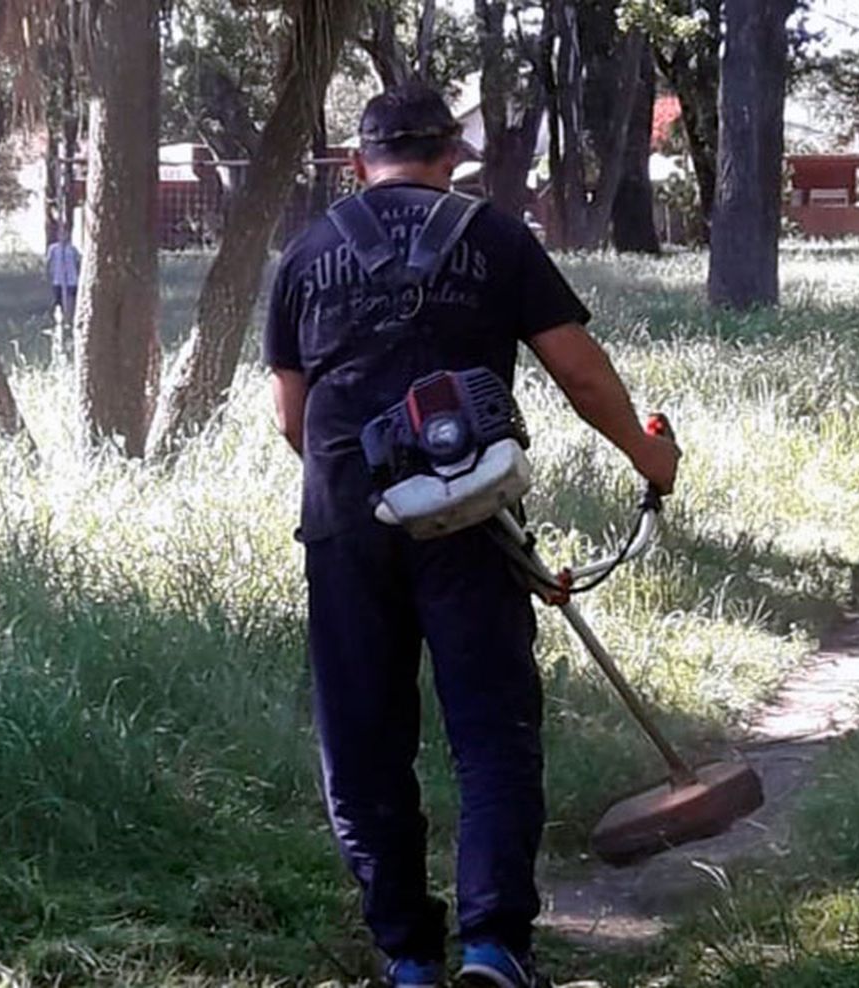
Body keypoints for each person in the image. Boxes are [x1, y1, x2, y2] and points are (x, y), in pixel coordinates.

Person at [262, 82, 679, 988]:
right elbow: (580, 374)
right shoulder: (493, 238)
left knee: (365, 746)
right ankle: (494, 949)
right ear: (452, 156)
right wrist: (648, 462)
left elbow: (291, 418)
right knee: (492, 734)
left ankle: (408, 958)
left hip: (346, 524)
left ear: (355, 160)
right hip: (471, 519)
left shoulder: (304, 253)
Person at [44, 226, 81, 328]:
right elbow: (48, 262)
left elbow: (78, 263)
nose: (63, 236)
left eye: (65, 234)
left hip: (71, 279)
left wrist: (78, 275)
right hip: (58, 279)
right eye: (61, 234)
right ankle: (57, 321)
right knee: (58, 301)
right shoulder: (53, 248)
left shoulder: (73, 249)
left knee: (70, 300)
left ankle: (68, 319)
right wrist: (48, 274)